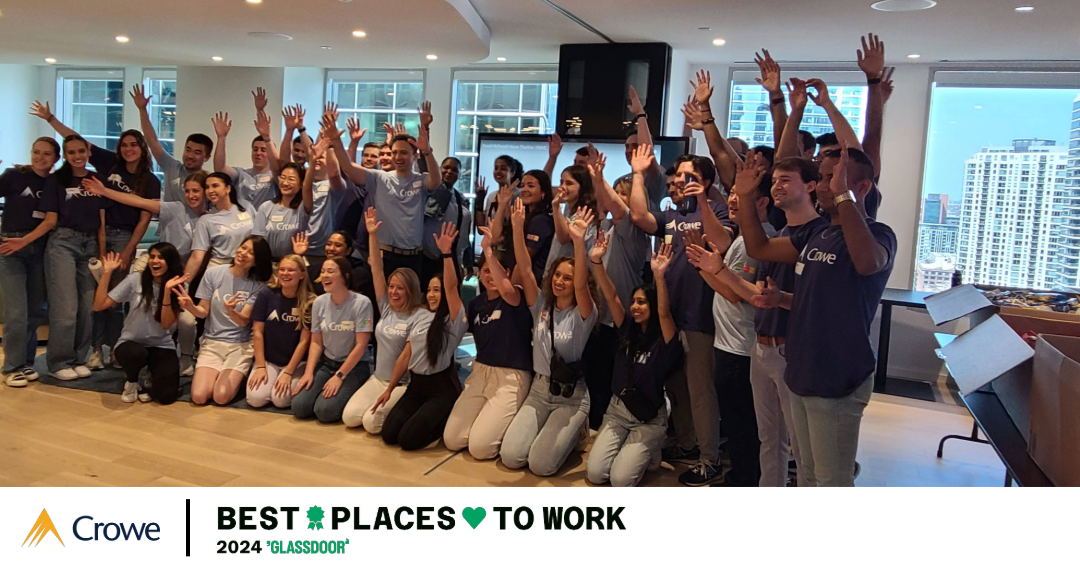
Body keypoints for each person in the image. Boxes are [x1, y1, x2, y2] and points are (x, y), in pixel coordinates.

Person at [736, 145, 896, 487]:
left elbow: (868, 263)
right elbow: (759, 248)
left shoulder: (879, 234)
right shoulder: (818, 234)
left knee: (830, 480)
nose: (824, 186)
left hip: (837, 376)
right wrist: (746, 197)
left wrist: (843, 197)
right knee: (807, 474)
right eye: (822, 178)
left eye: (834, 178)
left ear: (862, 187)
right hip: (801, 369)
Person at [626, 143, 733, 486]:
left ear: (705, 181)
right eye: (679, 176)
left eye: (690, 177)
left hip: (701, 317)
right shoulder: (672, 216)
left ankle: (709, 459)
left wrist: (704, 203)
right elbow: (640, 217)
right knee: (677, 387)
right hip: (669, 316)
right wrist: (638, 175)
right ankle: (688, 443)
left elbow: (724, 243)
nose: (681, 182)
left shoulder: (719, 210)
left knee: (701, 392)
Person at [30, 102, 161, 370]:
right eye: (124, 145)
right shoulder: (109, 164)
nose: (128, 149)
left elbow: (145, 219)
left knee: (115, 298)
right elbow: (77, 142)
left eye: (134, 145)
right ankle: (95, 349)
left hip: (124, 238)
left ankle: (116, 348)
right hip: (97, 234)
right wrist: (51, 119)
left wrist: (128, 250)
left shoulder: (150, 180)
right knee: (93, 298)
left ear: (142, 148)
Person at [686, 152, 777, 487]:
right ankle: (742, 477)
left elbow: (735, 293)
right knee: (739, 421)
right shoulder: (744, 237)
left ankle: (744, 482)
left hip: (740, 349)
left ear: (763, 202)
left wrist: (704, 267)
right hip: (732, 345)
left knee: (742, 424)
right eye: (733, 194)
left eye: (742, 195)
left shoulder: (759, 239)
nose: (734, 200)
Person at [501, 201, 597, 477]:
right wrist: (517, 228)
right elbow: (525, 269)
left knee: (541, 465)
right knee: (511, 457)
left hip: (571, 395)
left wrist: (578, 242)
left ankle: (578, 431)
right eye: (557, 275)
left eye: (567, 278)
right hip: (540, 391)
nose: (560, 281)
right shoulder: (542, 305)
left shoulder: (584, 312)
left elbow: (581, 284)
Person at [746, 156, 825, 487]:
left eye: (786, 180)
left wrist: (780, 299)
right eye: (774, 180)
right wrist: (715, 270)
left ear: (810, 186)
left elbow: (818, 303)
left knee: (802, 446)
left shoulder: (820, 235)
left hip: (791, 349)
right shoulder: (779, 235)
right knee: (769, 439)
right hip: (761, 345)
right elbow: (758, 293)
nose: (777, 186)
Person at [84, 171, 208, 377]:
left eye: (196, 191)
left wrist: (181, 282)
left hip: (179, 275)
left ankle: (183, 358)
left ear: (205, 192)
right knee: (144, 307)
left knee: (185, 321)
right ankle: (130, 349)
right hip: (155, 265)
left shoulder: (209, 218)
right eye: (187, 191)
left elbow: (198, 256)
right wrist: (104, 191)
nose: (190, 195)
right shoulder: (176, 208)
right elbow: (139, 201)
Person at [586, 239, 681, 487]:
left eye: (642, 302)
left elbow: (664, 313)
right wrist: (596, 261)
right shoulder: (627, 328)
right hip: (618, 411)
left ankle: (651, 450)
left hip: (648, 418)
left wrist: (659, 276)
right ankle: (632, 452)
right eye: (634, 302)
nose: (636, 307)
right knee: (596, 474)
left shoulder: (665, 337)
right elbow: (611, 295)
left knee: (620, 480)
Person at [443, 227, 534, 460]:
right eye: (485, 270)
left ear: (506, 273)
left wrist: (488, 250)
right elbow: (451, 291)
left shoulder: (515, 296)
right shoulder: (476, 304)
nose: (490, 276)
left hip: (511, 377)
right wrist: (446, 254)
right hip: (480, 374)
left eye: (496, 271)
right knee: (452, 440)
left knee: (480, 448)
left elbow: (508, 287)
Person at [380, 223, 468, 450]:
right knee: (389, 434)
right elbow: (405, 356)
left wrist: (446, 254)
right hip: (416, 386)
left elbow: (451, 286)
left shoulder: (453, 319)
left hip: (440, 389)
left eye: (436, 290)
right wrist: (389, 389)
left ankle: (443, 420)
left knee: (408, 441)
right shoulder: (420, 315)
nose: (431, 295)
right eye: (429, 290)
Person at [340, 208, 428, 432]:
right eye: (392, 287)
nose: (394, 292)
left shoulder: (419, 316)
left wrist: (390, 389)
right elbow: (377, 270)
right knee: (350, 418)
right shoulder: (387, 308)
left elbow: (406, 358)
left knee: (371, 424)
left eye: (400, 288)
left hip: (402, 383)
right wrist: (372, 234)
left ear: (411, 290)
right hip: (377, 378)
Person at [328, 102, 440, 277]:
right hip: (385, 254)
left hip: (414, 255)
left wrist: (428, 152)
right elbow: (348, 168)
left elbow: (436, 180)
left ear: (414, 155)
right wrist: (335, 141)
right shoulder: (379, 178)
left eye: (404, 153)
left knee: (410, 294)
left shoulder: (421, 180)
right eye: (394, 152)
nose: (398, 157)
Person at [37, 135, 111, 381]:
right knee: (66, 308)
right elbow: (50, 219)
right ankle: (59, 362)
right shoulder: (56, 180)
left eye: (81, 151)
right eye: (71, 152)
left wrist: (101, 252)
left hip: (90, 245)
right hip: (63, 244)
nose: (77, 156)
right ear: (65, 156)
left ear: (88, 152)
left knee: (87, 307)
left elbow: (101, 221)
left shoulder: (98, 179)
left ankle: (79, 358)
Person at [174, 235, 272, 405]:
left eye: (251, 253)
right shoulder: (213, 273)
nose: (243, 253)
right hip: (212, 343)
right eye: (243, 247)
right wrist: (190, 306)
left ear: (257, 261)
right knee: (199, 396)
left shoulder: (258, 285)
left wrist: (231, 311)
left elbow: (243, 322)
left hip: (240, 345)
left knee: (221, 396)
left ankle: (240, 376)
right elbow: (203, 312)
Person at [0, 137, 60, 387]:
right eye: (36, 152)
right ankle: (11, 367)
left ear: (56, 158)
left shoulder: (55, 183)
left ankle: (25, 362)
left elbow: (52, 220)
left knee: (36, 311)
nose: (39, 158)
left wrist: (26, 241)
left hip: (40, 250)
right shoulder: (14, 175)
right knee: (16, 313)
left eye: (46, 154)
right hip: (10, 249)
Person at [93, 244, 185, 404]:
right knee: (135, 354)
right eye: (152, 257)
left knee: (166, 397)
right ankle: (132, 381)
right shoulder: (135, 280)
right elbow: (99, 305)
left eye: (161, 258)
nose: (155, 261)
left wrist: (167, 292)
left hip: (161, 344)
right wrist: (107, 272)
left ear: (170, 262)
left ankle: (153, 374)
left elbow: (165, 324)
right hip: (131, 342)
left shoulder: (180, 286)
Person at [292, 257, 374, 423]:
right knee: (299, 406)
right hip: (327, 363)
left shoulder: (362, 303)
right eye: (322, 272)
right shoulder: (319, 302)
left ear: (345, 276)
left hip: (354, 367)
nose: (324, 275)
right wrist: (308, 372)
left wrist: (339, 376)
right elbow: (316, 342)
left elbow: (361, 345)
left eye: (330, 271)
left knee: (325, 411)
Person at [247, 255, 314, 409]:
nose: (285, 273)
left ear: (302, 274)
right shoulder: (266, 294)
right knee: (256, 399)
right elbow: (257, 332)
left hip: (296, 362)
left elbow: (304, 341)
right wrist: (261, 366)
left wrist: (288, 373)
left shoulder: (310, 301)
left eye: (291, 270)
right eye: (282, 269)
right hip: (269, 360)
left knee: (280, 400)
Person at [131, 84, 212, 203]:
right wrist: (142, 110)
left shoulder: (209, 182)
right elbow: (152, 140)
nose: (190, 155)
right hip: (168, 215)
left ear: (207, 157)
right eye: (188, 150)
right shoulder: (172, 167)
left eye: (197, 152)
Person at [211, 98, 281, 213]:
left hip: (267, 222)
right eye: (255, 149)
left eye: (263, 150)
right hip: (241, 221)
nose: (258, 153)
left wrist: (267, 137)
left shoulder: (275, 176)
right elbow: (219, 169)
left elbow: (278, 166)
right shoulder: (241, 174)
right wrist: (221, 138)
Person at [487, 169, 553, 284]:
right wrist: (502, 204)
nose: (525, 190)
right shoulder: (522, 216)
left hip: (527, 283)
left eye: (531, 186)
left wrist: (512, 288)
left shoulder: (541, 220)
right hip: (511, 274)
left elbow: (523, 260)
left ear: (543, 192)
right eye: (522, 186)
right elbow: (495, 238)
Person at [185, 173, 254, 276]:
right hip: (220, 270)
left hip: (248, 267)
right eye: (207, 187)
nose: (210, 190)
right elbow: (197, 256)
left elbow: (259, 237)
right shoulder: (205, 220)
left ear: (228, 188)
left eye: (215, 186)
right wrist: (184, 282)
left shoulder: (246, 206)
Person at [420, 157, 472, 287]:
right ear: (439, 169)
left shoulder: (461, 199)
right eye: (446, 168)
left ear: (459, 175)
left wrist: (467, 260)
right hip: (427, 257)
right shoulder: (427, 193)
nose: (449, 172)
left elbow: (464, 233)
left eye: (454, 170)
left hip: (451, 257)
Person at [545, 165, 599, 276]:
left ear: (582, 187)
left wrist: (556, 206)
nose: (562, 187)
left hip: (572, 276)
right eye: (561, 182)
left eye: (569, 183)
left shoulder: (584, 213)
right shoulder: (568, 210)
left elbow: (564, 238)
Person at [251, 162, 306, 261]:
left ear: (301, 184)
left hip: (294, 262)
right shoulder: (266, 207)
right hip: (268, 262)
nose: (285, 183)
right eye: (283, 177)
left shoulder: (304, 208)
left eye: (291, 179)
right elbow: (258, 240)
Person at [473, 155, 523, 230]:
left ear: (512, 173)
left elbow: (514, 226)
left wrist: (505, 203)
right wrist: (480, 202)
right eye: (496, 168)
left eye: (503, 169)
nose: (498, 172)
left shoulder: (519, 194)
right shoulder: (492, 196)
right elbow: (482, 230)